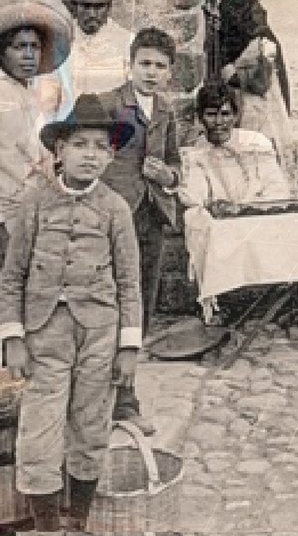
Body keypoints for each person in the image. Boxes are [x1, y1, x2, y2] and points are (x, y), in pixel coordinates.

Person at [0, 94, 141, 534]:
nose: (90, 156)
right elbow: (12, 276)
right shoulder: (35, 204)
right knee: (40, 426)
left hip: (100, 335)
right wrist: (14, 338)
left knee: (91, 423)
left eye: (100, 148)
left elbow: (130, 283)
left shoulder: (116, 209)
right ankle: (45, 524)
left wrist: (129, 348)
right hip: (45, 335)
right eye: (81, 145)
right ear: (59, 151)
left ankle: (77, 518)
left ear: (110, 155)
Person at [97, 28, 182, 435]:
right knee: (110, 303)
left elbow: (175, 165)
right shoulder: (111, 106)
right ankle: (101, 399)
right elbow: (92, 158)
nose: (151, 73)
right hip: (116, 219)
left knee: (142, 306)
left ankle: (126, 399)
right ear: (129, 65)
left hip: (152, 219)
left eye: (160, 66)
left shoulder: (166, 111)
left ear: (170, 73)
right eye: (144, 64)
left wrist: (166, 175)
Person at [0, 0, 73, 263]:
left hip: (27, 204)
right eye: (19, 48)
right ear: (2, 52)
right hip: (7, 207)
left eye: (35, 47)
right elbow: (10, 156)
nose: (29, 55)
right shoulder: (3, 94)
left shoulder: (29, 93)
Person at [213, 0, 291, 163]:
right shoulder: (218, 0)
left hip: (252, 79)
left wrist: (241, 74)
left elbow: (263, 41)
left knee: (256, 134)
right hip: (229, 77)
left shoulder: (247, 1)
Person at [179, 82, 292, 212]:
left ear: (235, 116)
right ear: (200, 117)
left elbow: (278, 191)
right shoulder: (196, 152)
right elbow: (195, 199)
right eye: (211, 114)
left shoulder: (255, 143)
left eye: (225, 114)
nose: (219, 122)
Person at [55, 0, 133, 109]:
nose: (92, 14)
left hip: (112, 123)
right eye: (85, 6)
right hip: (66, 124)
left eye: (98, 7)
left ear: (109, 7)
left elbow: (132, 96)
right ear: (74, 6)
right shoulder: (60, 39)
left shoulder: (127, 42)